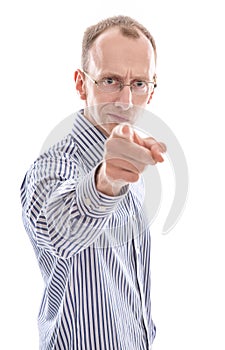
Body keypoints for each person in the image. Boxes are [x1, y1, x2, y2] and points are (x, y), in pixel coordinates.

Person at [20, 15, 166, 350]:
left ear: (152, 90)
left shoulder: (133, 164)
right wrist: (105, 181)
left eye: (139, 84)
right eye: (110, 80)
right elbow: (59, 232)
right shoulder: (53, 166)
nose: (125, 101)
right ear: (81, 83)